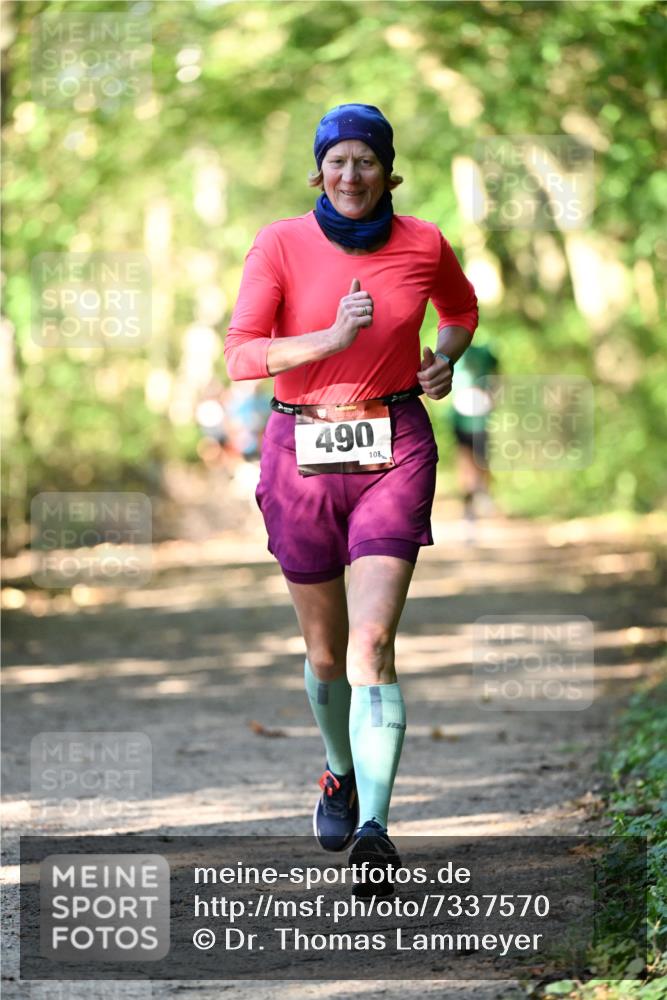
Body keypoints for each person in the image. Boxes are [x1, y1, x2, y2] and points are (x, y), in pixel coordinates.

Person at [224, 103, 478, 894]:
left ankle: (375, 827)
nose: (350, 174)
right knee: (327, 654)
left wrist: (442, 359)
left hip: (393, 445)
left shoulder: (423, 242)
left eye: (365, 160)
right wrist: (330, 340)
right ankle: (339, 769)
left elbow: (461, 310)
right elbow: (241, 356)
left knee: (371, 644)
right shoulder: (279, 243)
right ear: (319, 171)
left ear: (387, 171)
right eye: (337, 161)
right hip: (299, 451)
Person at [449, 342, 499, 519]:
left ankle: (482, 493)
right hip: (460, 416)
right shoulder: (450, 351)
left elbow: (497, 377)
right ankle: (468, 502)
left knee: (482, 459)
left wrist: (493, 399)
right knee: (465, 458)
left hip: (481, 416)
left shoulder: (485, 352)